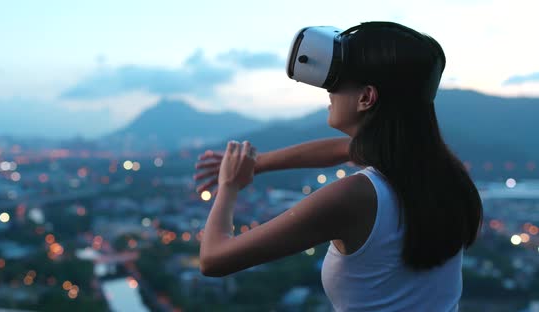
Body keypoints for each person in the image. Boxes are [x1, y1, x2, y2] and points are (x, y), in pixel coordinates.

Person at [193, 21, 482, 311]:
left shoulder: (354, 197)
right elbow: (345, 150)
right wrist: (257, 164)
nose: (329, 91)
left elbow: (214, 259)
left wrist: (229, 186)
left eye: (338, 81)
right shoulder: (445, 175)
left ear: (366, 98)